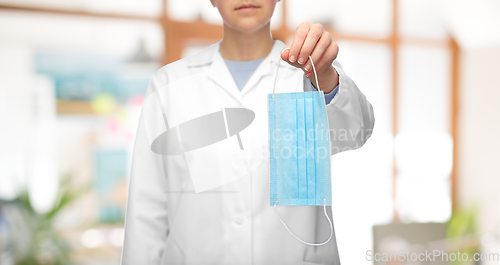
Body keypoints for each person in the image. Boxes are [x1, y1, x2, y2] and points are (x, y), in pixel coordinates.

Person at [120, 0, 375, 264]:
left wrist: (325, 78)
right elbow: (146, 212)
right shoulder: (170, 86)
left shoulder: (308, 77)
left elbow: (358, 130)